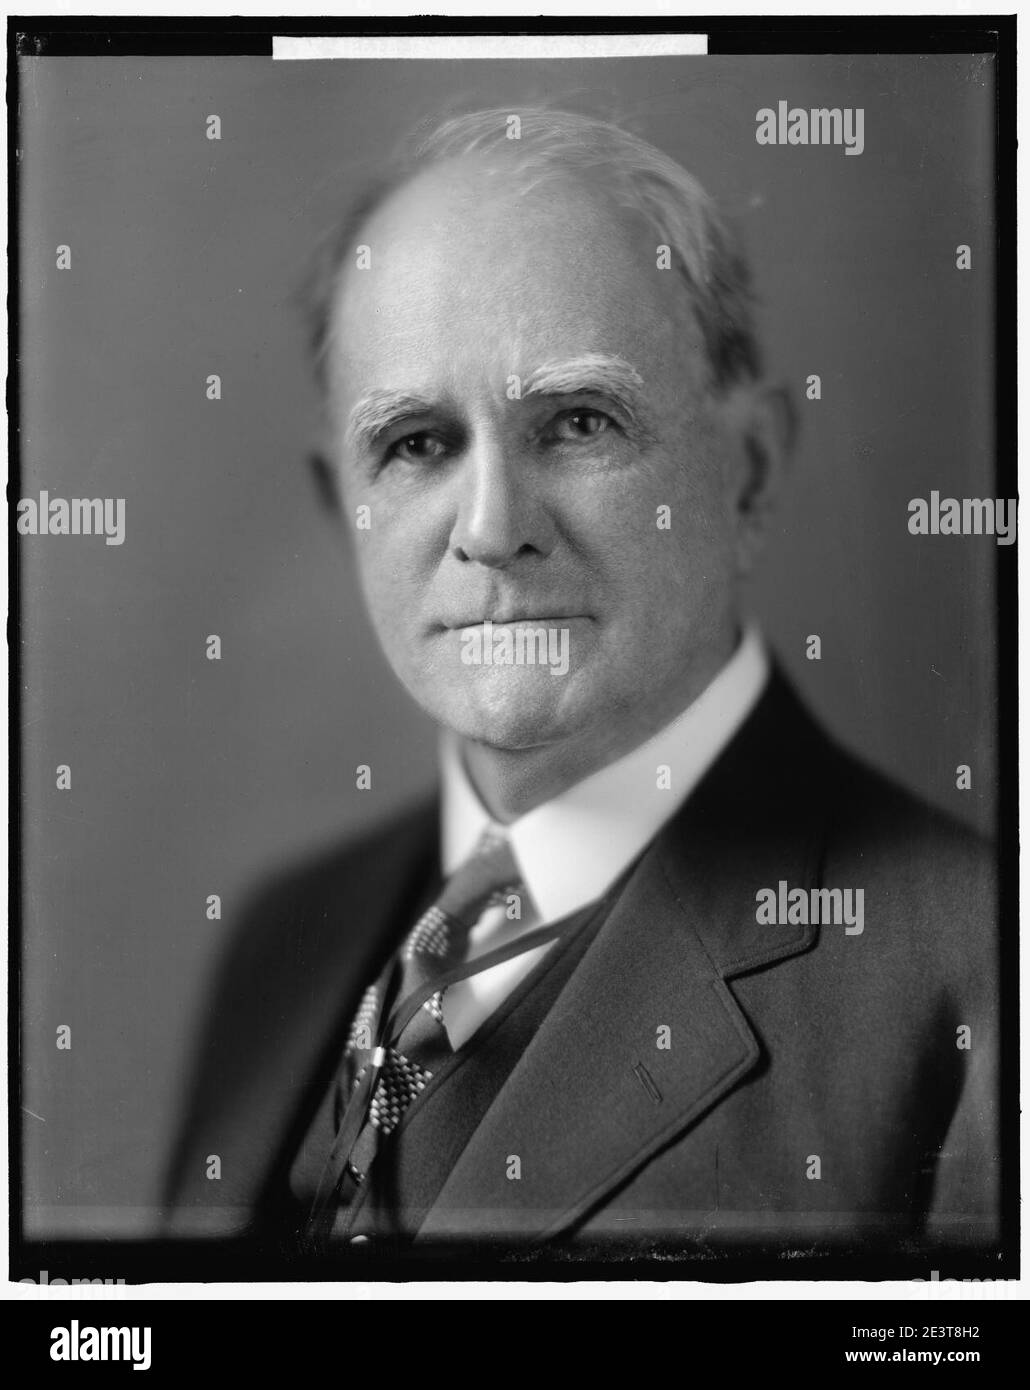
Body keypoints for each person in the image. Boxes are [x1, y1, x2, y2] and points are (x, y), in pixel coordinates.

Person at [164, 108, 999, 1264]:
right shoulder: (283, 939)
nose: (490, 527)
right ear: (341, 506)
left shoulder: (979, 980)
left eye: (576, 421)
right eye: (415, 442)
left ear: (748, 470)